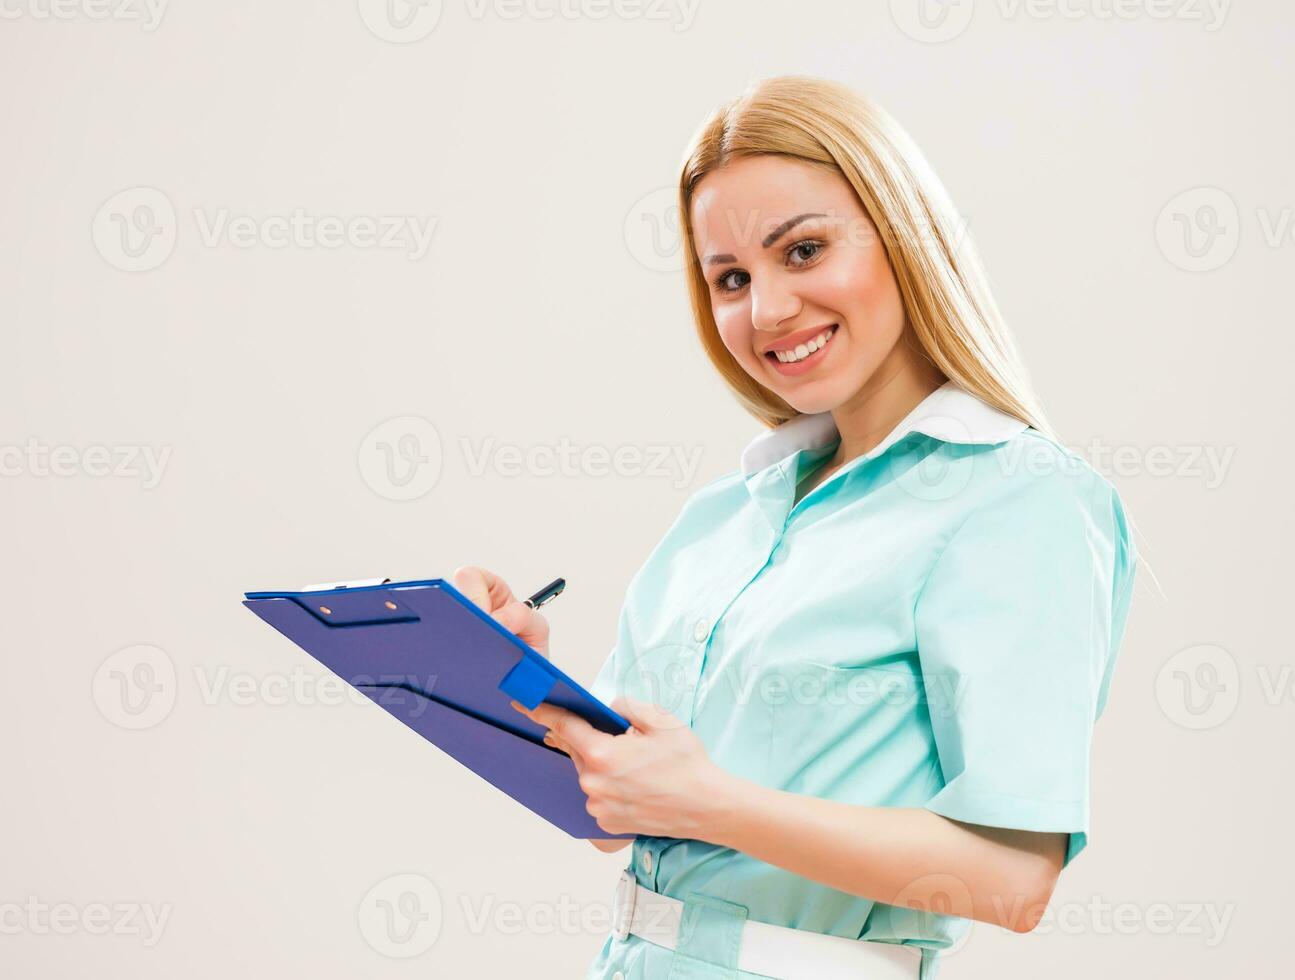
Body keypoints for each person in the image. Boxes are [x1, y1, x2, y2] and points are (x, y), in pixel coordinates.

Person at [453, 74, 1139, 980]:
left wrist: (712, 803)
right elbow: (617, 815)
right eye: (731, 278)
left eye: (805, 251)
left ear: (905, 237)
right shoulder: (724, 516)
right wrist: (506, 671)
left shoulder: (1017, 499)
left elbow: (1014, 879)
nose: (767, 311)